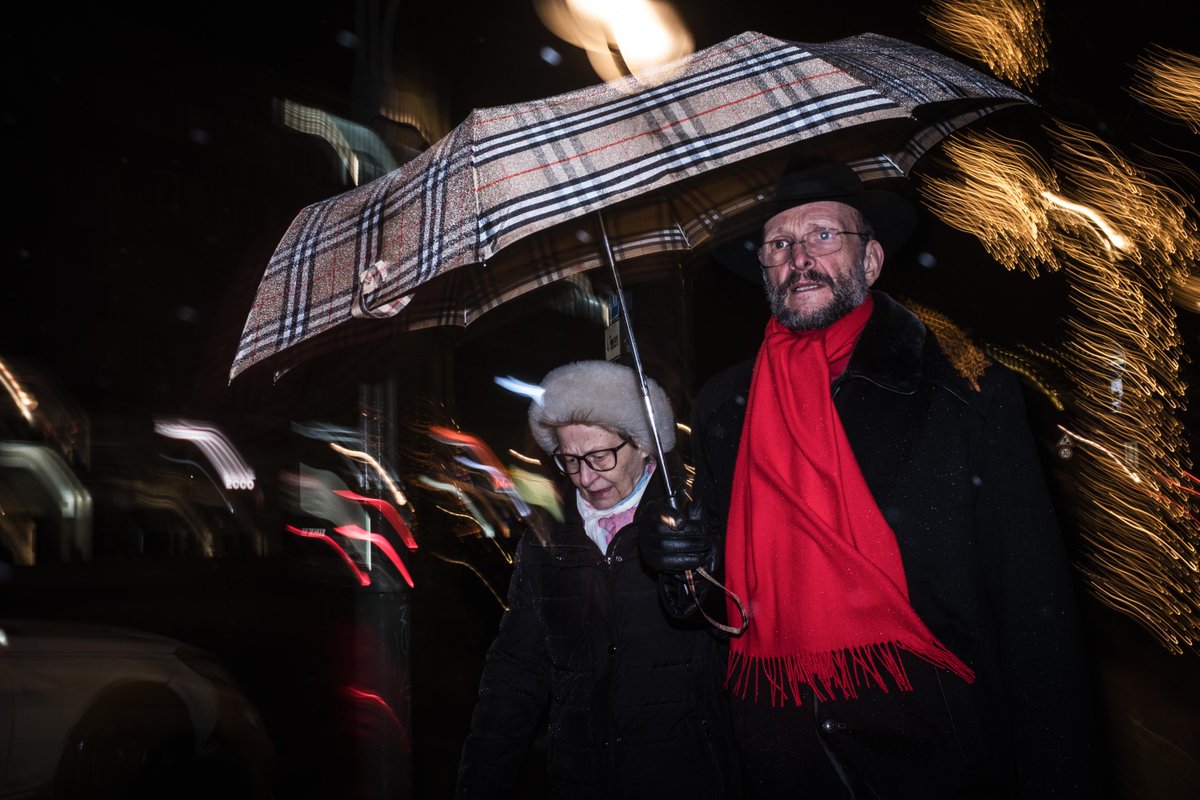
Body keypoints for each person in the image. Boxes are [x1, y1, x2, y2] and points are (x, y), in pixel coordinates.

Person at [639, 159, 1101, 798]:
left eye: (824, 235)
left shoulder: (963, 389)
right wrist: (678, 565)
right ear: (766, 270)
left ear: (872, 261)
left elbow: (1034, 610)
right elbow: (712, 594)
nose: (800, 256)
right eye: (780, 243)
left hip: (931, 751)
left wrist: (1057, 775)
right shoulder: (723, 406)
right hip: (776, 750)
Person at [456, 360, 740, 799]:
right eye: (570, 460)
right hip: (580, 780)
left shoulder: (692, 526)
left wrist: (706, 566)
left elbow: (739, 639)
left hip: (682, 779)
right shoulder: (546, 540)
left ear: (644, 445)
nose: (586, 477)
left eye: (600, 456)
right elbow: (515, 673)